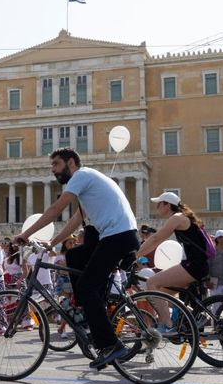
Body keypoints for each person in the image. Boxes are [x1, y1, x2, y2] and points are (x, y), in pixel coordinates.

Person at [14, 147, 139, 370]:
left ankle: (111, 345)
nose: (53, 170)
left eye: (56, 165)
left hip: (117, 237)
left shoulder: (81, 176)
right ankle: (89, 312)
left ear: (70, 162)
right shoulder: (87, 182)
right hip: (117, 235)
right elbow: (75, 221)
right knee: (74, 255)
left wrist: (25, 234)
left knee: (87, 286)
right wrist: (52, 243)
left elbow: (54, 209)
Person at [137, 192, 209, 331]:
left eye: (159, 204)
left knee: (151, 282)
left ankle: (168, 326)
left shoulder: (177, 218)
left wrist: (137, 253)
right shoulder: (183, 217)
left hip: (193, 265)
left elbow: (156, 239)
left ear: (167, 205)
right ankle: (196, 314)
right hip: (196, 265)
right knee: (162, 293)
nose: (157, 207)